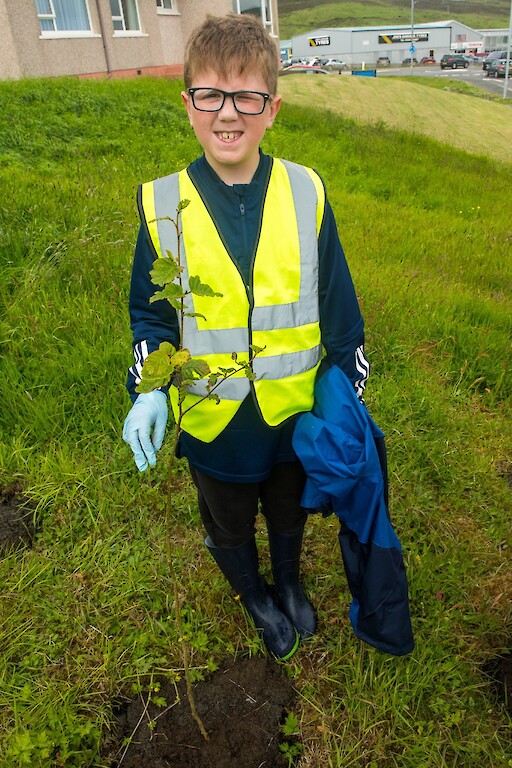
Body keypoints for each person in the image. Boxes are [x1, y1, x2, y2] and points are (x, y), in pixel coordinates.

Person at [123, 13, 369, 661]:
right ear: (188, 103)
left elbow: (339, 308)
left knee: (288, 514)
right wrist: (147, 390)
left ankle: (287, 581)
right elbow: (150, 319)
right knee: (230, 521)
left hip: (292, 416)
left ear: (273, 108)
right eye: (210, 95)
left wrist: (347, 390)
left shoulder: (305, 192)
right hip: (214, 422)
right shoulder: (163, 205)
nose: (228, 114)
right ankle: (254, 593)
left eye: (247, 98)